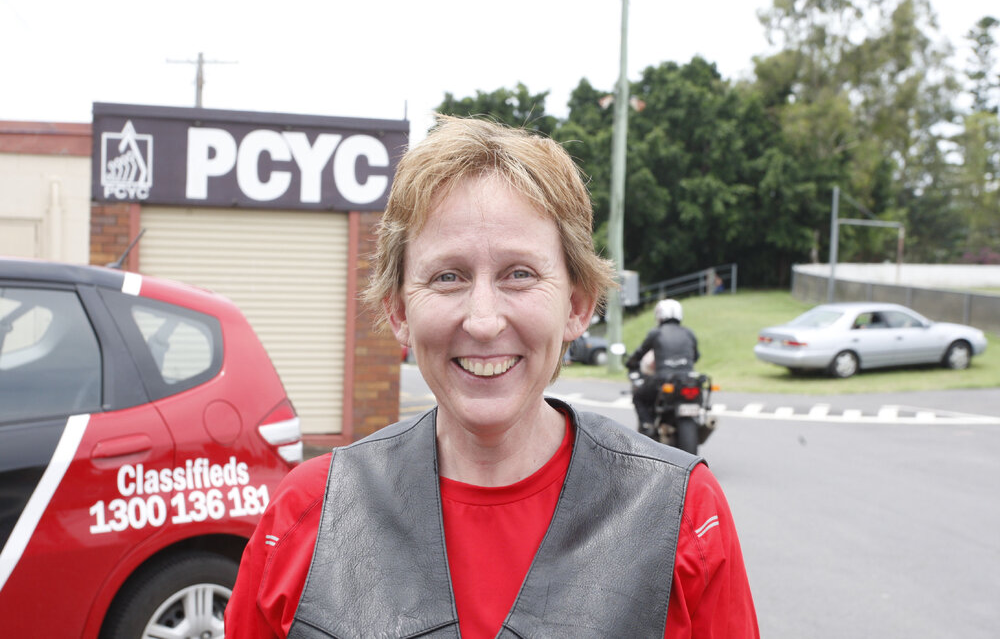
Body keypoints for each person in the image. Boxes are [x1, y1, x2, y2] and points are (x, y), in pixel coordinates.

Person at [225, 116, 758, 638]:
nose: (483, 321)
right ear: (399, 312)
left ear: (576, 304)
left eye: (519, 274)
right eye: (448, 276)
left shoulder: (684, 517)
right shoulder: (303, 520)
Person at [626, 298, 700, 435]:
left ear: (659, 315)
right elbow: (696, 357)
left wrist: (631, 362)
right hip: (688, 380)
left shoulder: (656, 333)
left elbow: (640, 352)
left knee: (638, 397)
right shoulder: (689, 333)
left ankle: (647, 426)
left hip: (662, 379)